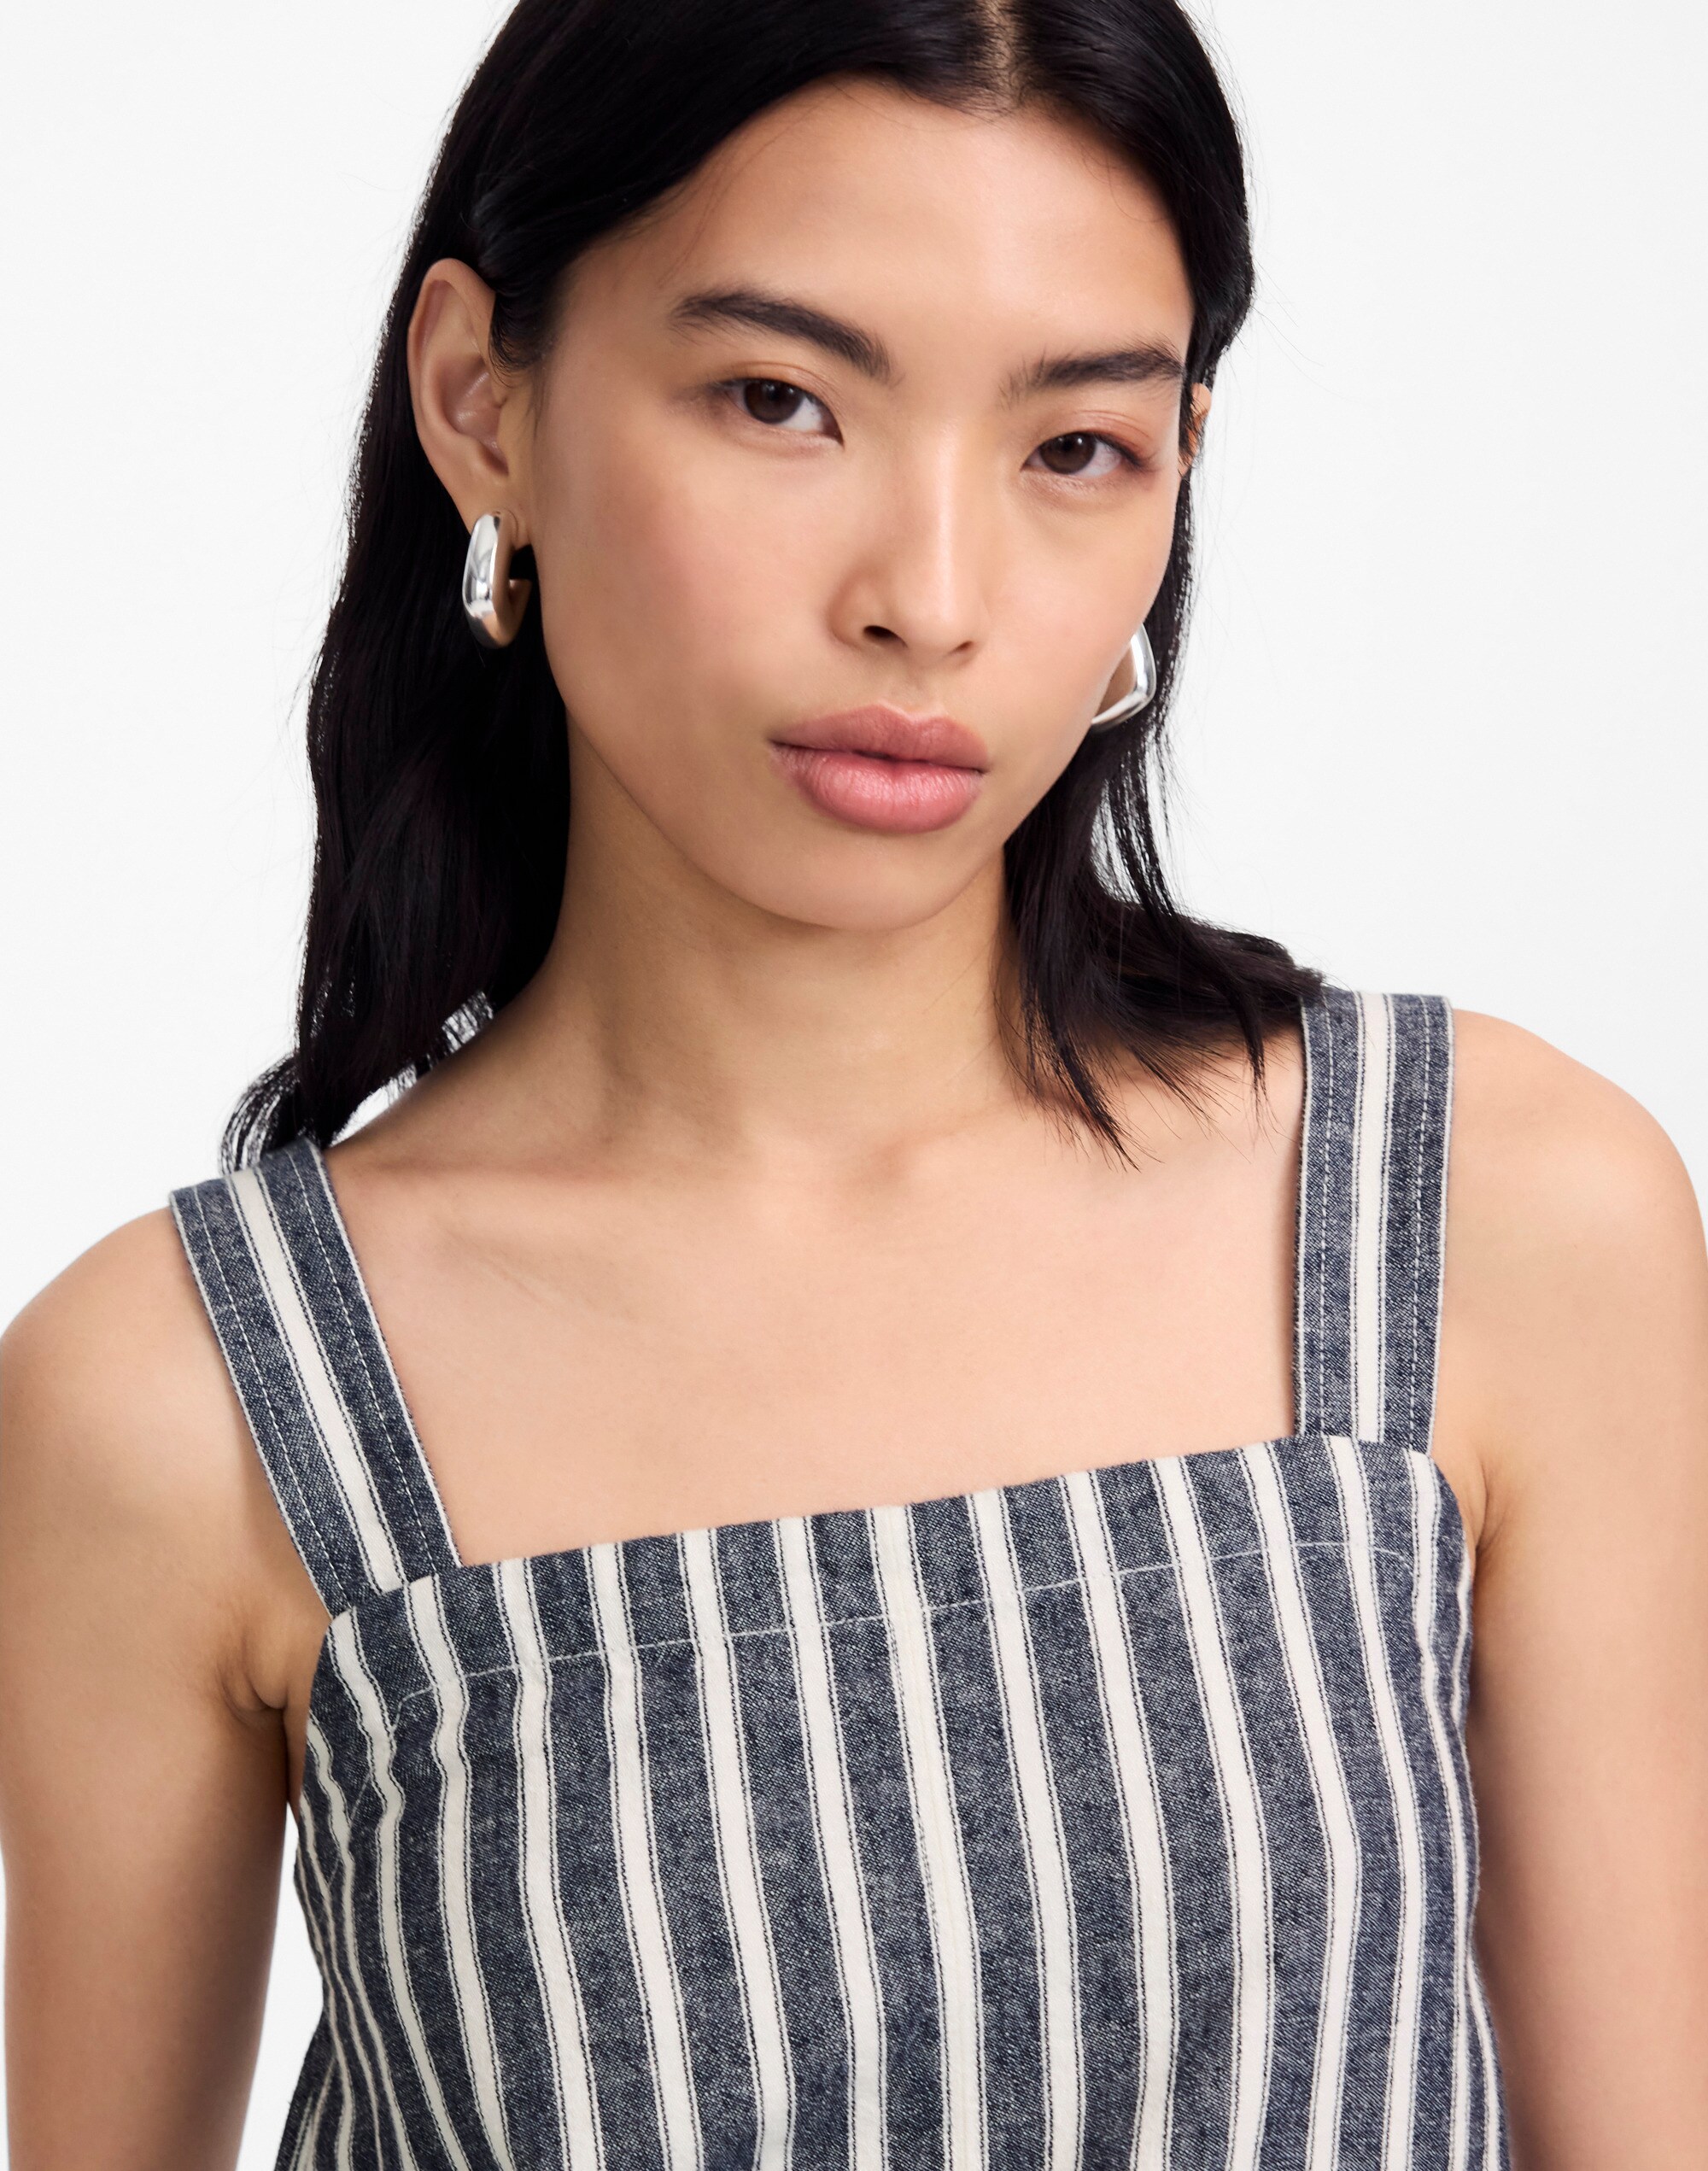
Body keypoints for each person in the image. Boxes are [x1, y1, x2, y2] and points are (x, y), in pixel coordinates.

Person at [3, 0, 1705, 2163]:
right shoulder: (184, 1403)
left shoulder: (1478, 1222)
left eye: (1073, 446)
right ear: (480, 402)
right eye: (778, 400)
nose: (932, 599)